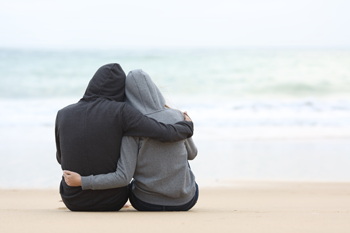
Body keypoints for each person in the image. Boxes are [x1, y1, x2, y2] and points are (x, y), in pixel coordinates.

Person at [56, 64, 194, 211]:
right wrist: (187, 126)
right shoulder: (121, 112)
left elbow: (60, 158)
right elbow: (164, 133)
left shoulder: (63, 114)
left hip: (71, 198)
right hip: (112, 200)